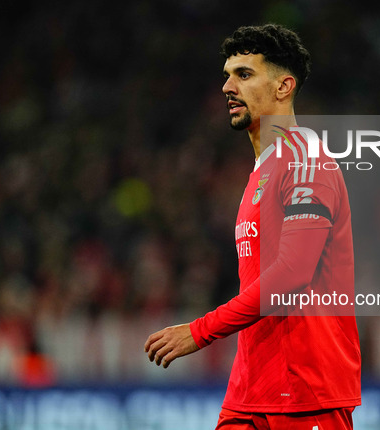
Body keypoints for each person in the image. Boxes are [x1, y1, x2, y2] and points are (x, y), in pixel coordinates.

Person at [145, 24, 361, 430]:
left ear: (284, 86)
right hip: (251, 390)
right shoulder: (262, 172)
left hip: (305, 393)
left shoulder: (305, 161)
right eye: (227, 75)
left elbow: (293, 272)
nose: (228, 86)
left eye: (244, 74)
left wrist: (200, 331)